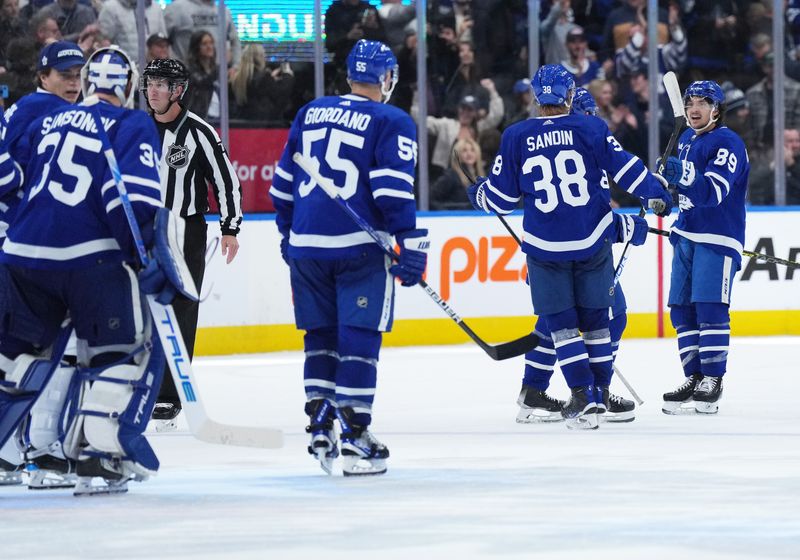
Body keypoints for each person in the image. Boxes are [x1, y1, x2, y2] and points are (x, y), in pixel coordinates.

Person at [0, 45, 193, 496]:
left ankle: (19, 451)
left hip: (23, 253)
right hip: (88, 257)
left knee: (13, 357)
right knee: (120, 351)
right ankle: (98, 459)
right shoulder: (131, 124)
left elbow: (14, 182)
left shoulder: (47, 119)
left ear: (86, 83)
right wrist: (146, 255)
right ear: (128, 89)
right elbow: (127, 200)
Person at [467, 64, 672, 430]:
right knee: (597, 322)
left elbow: (500, 199)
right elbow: (625, 171)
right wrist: (655, 194)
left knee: (561, 326)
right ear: (569, 97)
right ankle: (592, 393)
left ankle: (582, 393)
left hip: (546, 248)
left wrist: (479, 194)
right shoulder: (591, 129)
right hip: (591, 244)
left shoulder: (517, 135)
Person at [269, 39, 427, 476]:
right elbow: (391, 191)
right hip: (358, 249)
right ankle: (355, 434)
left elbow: (281, 188)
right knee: (359, 335)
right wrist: (410, 242)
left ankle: (321, 422)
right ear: (386, 78)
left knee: (319, 336)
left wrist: (289, 233)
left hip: (306, 248)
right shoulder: (391, 119)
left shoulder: (310, 111)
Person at [516, 86, 636, 424]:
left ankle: (534, 389)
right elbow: (586, 214)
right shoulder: (579, 142)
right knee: (611, 313)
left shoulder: (575, 142)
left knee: (554, 323)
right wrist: (623, 227)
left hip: (556, 252)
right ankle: (596, 391)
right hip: (570, 254)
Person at [139, 57, 241, 425]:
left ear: (178, 91)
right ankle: (136, 383)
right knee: (137, 308)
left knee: (181, 309)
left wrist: (230, 227)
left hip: (185, 231)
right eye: (150, 83)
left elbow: (226, 181)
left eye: (162, 84)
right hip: (140, 228)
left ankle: (169, 393)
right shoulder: (134, 128)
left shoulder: (199, 131)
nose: (153, 91)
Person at [658, 80, 749, 415]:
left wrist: (682, 174)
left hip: (717, 236)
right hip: (686, 234)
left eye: (702, 103)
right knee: (682, 310)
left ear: (717, 109)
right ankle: (695, 377)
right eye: (690, 102)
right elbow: (681, 194)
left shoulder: (728, 142)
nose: (694, 109)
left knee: (710, 308)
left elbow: (712, 193)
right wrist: (662, 196)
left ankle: (713, 379)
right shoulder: (684, 140)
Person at [1, 41, 85, 242]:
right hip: (14, 225)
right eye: (65, 75)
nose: (74, 82)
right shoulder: (49, 109)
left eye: (78, 74)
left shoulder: (28, 103)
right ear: (43, 77)